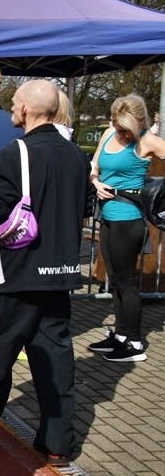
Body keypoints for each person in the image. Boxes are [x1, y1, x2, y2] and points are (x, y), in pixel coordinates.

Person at [0, 80, 93, 466]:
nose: (11, 108)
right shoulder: (77, 155)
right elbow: (85, 209)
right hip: (61, 273)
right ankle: (57, 443)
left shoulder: (15, 153)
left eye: (14, 103)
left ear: (24, 109)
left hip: (17, 275)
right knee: (55, 362)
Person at [88, 94, 165, 363]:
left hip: (128, 218)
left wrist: (157, 192)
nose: (121, 134)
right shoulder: (108, 134)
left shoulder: (147, 141)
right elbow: (94, 166)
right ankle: (120, 336)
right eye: (118, 127)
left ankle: (134, 342)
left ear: (140, 122)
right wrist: (96, 182)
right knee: (115, 280)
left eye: (126, 130)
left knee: (126, 282)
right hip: (107, 217)